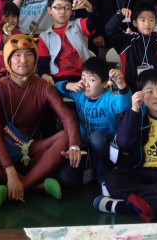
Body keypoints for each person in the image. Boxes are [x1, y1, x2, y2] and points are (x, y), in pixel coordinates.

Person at [0, 34, 83, 209]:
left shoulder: (43, 86)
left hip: (31, 149)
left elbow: (66, 116)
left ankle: (19, 186)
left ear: (35, 58)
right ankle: (36, 185)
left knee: (65, 137)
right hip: (0, 151)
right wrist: (10, 170)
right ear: (8, 60)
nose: (23, 60)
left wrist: (74, 146)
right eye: (17, 55)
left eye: (29, 54)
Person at [94, 69, 157, 222]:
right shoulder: (138, 116)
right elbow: (124, 142)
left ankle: (128, 207)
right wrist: (134, 109)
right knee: (113, 179)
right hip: (144, 172)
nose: (156, 96)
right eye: (149, 91)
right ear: (141, 94)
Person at [55, 58, 131, 196]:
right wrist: (69, 85)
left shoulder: (108, 98)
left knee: (96, 137)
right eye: (83, 78)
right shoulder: (80, 94)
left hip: (106, 148)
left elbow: (125, 104)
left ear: (105, 83)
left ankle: (103, 176)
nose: (86, 84)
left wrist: (121, 84)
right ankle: (93, 172)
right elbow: (56, 87)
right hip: (86, 150)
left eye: (92, 80)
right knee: (65, 177)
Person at [105, 4, 157, 92]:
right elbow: (109, 29)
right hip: (130, 91)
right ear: (135, 23)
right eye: (143, 20)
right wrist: (121, 15)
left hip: (155, 92)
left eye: (151, 20)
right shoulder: (127, 41)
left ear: (156, 23)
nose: (147, 24)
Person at [37, 0, 95, 84]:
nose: (63, 12)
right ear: (49, 10)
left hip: (83, 77)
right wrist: (45, 75)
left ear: (71, 10)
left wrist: (89, 7)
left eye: (67, 8)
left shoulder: (78, 25)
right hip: (57, 79)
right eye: (58, 7)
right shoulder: (44, 37)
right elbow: (43, 63)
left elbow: (94, 22)